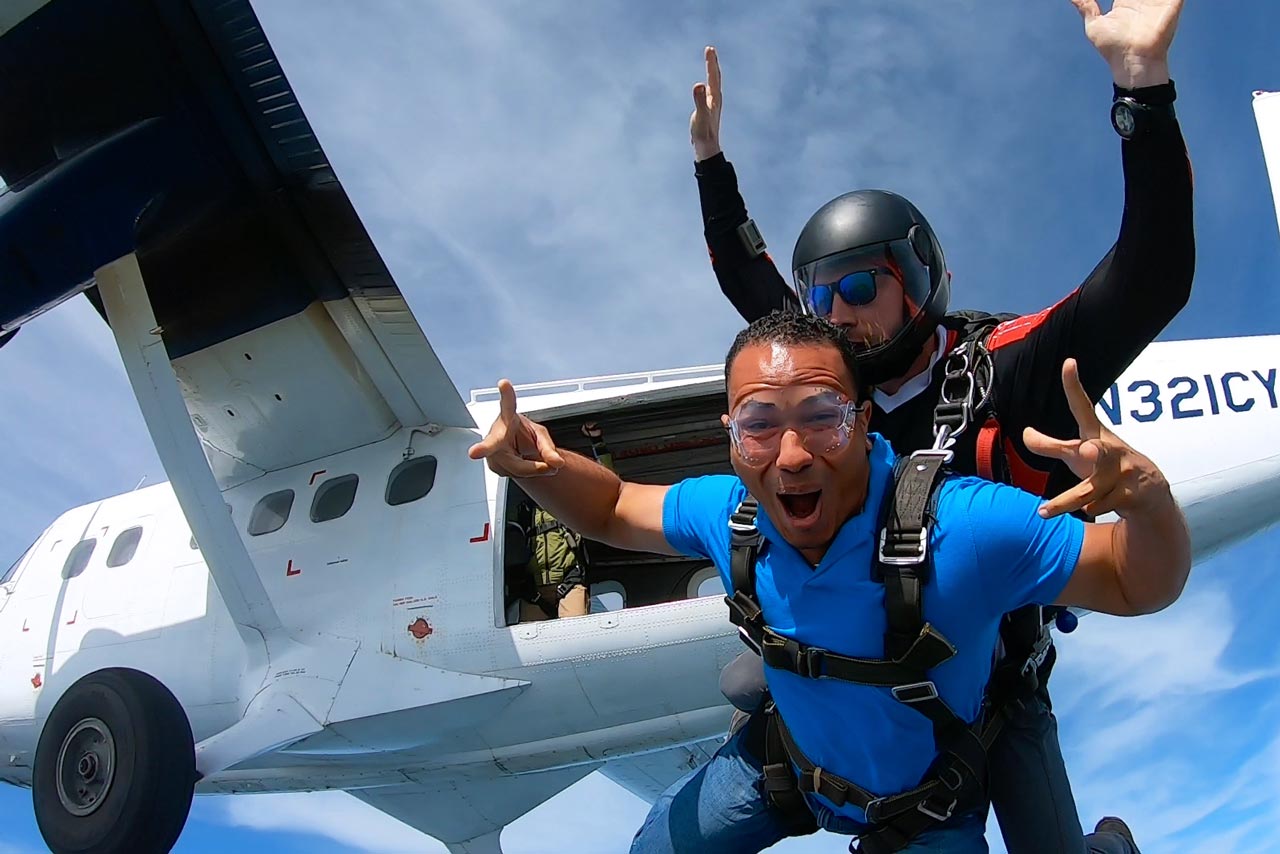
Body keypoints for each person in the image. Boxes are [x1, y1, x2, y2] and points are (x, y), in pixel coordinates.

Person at [686, 1, 1193, 849]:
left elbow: (1153, 277)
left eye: (860, 288)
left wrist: (1142, 88)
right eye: (821, 295)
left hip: (997, 672)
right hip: (875, 650)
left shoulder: (1012, 368)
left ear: (919, 279)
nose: (836, 317)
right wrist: (709, 160)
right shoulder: (828, 373)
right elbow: (747, 274)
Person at [468, 312, 1190, 853]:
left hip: (927, 814)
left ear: (862, 418)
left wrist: (1149, 503)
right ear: (730, 432)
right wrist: (542, 469)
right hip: (786, 769)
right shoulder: (730, 515)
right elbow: (616, 505)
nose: (790, 456)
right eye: (760, 424)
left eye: (821, 419)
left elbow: (1134, 582)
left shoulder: (965, 529)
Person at [511, 421, 615, 621]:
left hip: (569, 582)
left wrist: (597, 441)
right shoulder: (524, 510)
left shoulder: (571, 503)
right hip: (533, 590)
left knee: (575, 636)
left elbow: (607, 482)